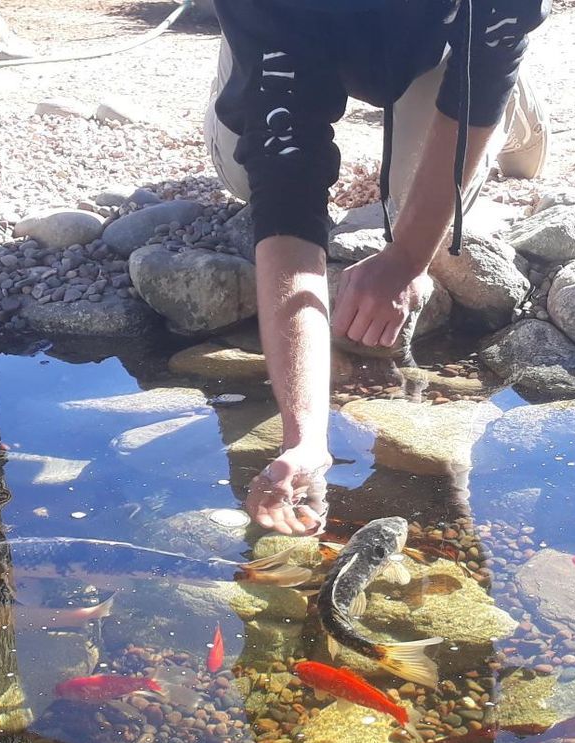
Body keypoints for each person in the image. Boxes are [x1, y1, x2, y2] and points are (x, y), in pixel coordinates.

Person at [206, 0, 550, 535]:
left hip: (442, 49)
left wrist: (408, 257)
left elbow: (465, 116)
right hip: (287, 32)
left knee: (419, 184)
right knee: (246, 179)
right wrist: (305, 438)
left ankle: (510, 93)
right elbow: (285, 193)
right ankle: (243, 65)